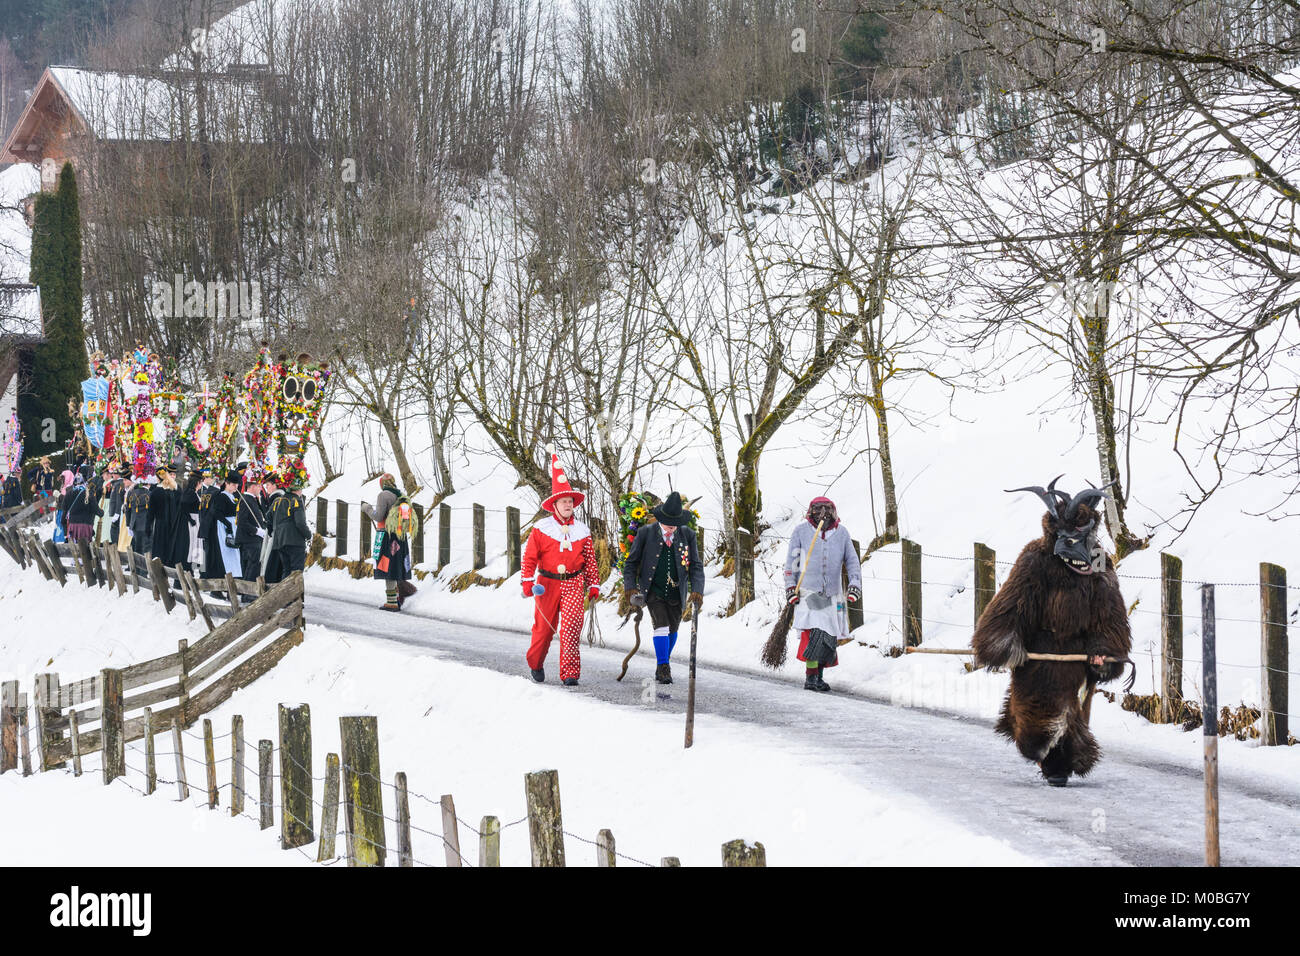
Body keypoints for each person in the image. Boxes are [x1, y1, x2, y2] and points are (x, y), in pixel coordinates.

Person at [520, 449, 601, 685]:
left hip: (574, 583)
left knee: (571, 629)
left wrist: (593, 583)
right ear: (554, 504)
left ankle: (570, 674)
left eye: (570, 502)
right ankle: (535, 663)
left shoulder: (582, 531)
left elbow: (589, 560)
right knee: (544, 630)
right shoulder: (541, 529)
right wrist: (527, 581)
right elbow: (530, 558)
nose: (568, 505)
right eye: (564, 501)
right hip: (546, 584)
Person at [622, 491, 705, 684]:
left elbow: (696, 565)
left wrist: (697, 590)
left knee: (673, 629)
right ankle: (663, 666)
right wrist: (631, 587)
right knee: (661, 625)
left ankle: (662, 662)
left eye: (675, 522)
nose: (671, 526)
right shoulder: (645, 533)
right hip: (653, 589)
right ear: (660, 518)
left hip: (677, 590)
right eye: (668, 521)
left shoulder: (688, 535)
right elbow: (631, 563)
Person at [782, 496, 862, 692]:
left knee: (827, 636)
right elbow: (792, 562)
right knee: (813, 633)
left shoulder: (841, 534)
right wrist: (790, 586)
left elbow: (852, 561)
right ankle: (811, 677)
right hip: (809, 591)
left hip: (832, 593)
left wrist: (854, 585)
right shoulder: (801, 532)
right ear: (811, 513)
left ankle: (818, 676)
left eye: (827, 510)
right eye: (818, 510)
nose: (822, 514)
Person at [361, 473, 417, 611]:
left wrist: (367, 508)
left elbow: (378, 516)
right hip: (400, 537)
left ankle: (391, 602)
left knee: (388, 565)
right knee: (396, 565)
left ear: (382, 484)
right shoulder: (402, 496)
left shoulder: (383, 495)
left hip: (387, 536)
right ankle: (399, 597)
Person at [268, 473, 311, 581]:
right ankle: (295, 597)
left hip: (279, 541)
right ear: (297, 489)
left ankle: (284, 596)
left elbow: (268, 516)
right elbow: (300, 523)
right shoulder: (296, 500)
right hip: (295, 541)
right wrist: (308, 535)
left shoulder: (277, 501)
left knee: (286, 570)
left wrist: (272, 530)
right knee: (296, 571)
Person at [233, 471, 268, 584]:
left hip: (253, 540)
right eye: (259, 486)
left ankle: (246, 593)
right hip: (249, 540)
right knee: (251, 567)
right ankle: (247, 594)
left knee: (251, 567)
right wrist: (257, 531)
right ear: (252, 486)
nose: (260, 488)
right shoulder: (245, 500)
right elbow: (242, 522)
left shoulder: (253, 499)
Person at [62, 473, 100, 543]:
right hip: (86, 525)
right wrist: (101, 513)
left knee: (75, 548)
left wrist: (65, 532)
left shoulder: (68, 494)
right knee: (86, 548)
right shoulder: (89, 493)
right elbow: (96, 509)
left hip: (73, 525)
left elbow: (64, 513)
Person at [259, 474, 284, 582]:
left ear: (275, 485)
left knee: (271, 563)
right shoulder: (275, 498)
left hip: (275, 535)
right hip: (276, 534)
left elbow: (270, 517)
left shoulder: (277, 498)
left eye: (268, 485)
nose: (266, 487)